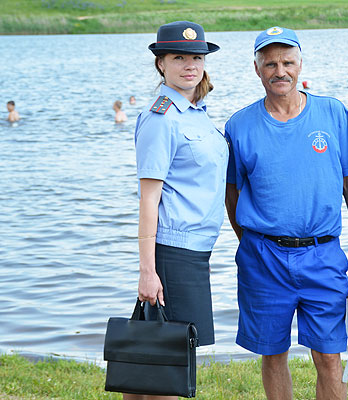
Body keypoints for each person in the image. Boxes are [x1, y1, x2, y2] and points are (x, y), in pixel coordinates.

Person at [225, 26, 348, 400]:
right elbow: (231, 196)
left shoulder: (333, 113)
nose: (280, 71)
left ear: (300, 64)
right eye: (270, 63)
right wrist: (251, 244)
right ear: (257, 68)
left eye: (288, 62)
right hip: (263, 257)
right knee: (272, 354)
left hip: (322, 254)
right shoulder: (238, 126)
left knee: (330, 357)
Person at [129, 20, 227, 400]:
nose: (190, 64)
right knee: (171, 365)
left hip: (193, 252)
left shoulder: (196, 113)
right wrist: (148, 271)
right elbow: (148, 200)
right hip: (174, 251)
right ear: (161, 64)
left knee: (156, 357)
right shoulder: (161, 118)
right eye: (179, 57)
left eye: (196, 57)